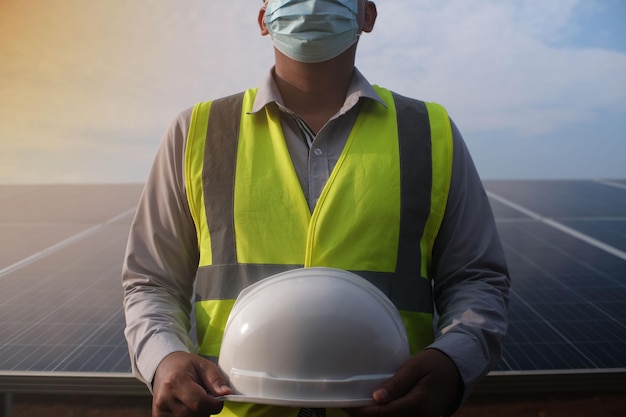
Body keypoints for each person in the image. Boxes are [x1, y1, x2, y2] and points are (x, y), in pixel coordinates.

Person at [122, 1, 510, 416]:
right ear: (263, 18)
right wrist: (164, 358)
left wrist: (454, 362)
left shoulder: (430, 132)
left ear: (368, 15)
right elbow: (152, 281)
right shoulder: (196, 131)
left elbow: (476, 279)